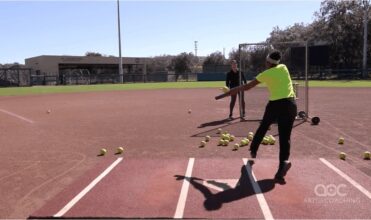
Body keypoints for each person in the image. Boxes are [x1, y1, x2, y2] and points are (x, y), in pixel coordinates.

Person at [223, 51, 297, 183]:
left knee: (264, 126)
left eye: (266, 60)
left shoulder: (266, 74)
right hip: (291, 104)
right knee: (285, 137)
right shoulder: (283, 67)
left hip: (275, 105)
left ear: (268, 62)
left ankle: (253, 149)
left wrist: (234, 90)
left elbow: (248, 86)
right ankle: (282, 166)